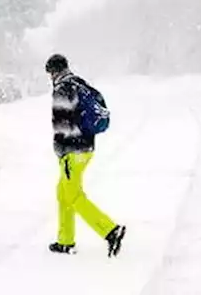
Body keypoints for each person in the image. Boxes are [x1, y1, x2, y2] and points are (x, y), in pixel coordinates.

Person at [46, 53, 125, 257]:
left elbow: (62, 123)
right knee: (63, 192)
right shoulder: (79, 83)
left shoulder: (63, 88)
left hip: (72, 150)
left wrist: (60, 148)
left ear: (54, 72)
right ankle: (65, 241)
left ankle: (110, 231)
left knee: (73, 196)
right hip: (86, 148)